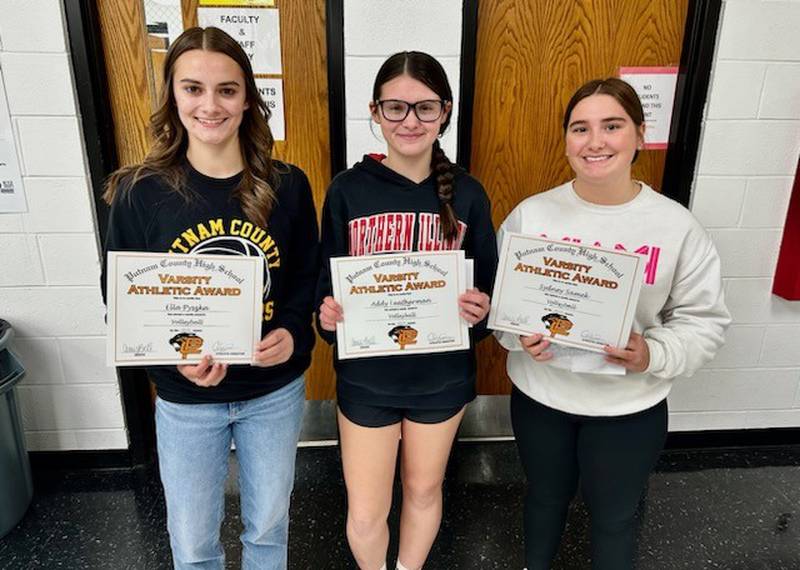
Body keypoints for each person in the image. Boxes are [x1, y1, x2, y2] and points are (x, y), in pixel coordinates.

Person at [101, 27, 319, 570]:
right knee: (195, 541)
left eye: (226, 90)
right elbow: (123, 302)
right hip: (185, 398)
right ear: (173, 97)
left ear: (247, 98)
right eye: (193, 88)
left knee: (268, 527)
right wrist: (172, 355)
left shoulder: (287, 185)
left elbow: (305, 281)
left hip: (272, 390)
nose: (210, 104)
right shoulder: (139, 192)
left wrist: (291, 333)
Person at [495, 77, 730, 570]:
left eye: (612, 126)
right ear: (566, 139)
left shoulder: (675, 226)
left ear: (640, 136)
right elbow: (503, 313)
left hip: (629, 408)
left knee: (616, 519)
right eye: (580, 128)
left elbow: (703, 322)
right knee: (543, 500)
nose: (595, 141)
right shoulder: (531, 216)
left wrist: (653, 353)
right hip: (543, 399)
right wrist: (517, 337)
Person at [316, 51, 498, 570]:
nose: (410, 121)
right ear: (374, 113)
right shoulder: (347, 191)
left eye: (424, 108)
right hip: (368, 377)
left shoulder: (469, 195)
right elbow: (323, 285)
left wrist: (479, 309)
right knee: (368, 510)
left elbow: (487, 293)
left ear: (445, 112)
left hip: (440, 378)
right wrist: (326, 317)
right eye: (395, 108)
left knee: (422, 490)